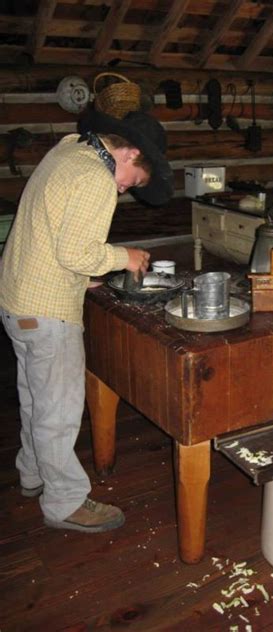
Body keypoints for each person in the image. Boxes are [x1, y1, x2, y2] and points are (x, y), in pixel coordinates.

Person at [0, 109, 174, 533]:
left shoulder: (68, 151)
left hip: (16, 299)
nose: (124, 189)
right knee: (58, 411)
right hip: (48, 310)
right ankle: (64, 502)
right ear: (129, 153)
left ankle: (32, 473)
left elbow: (51, 227)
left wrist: (86, 277)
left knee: (35, 399)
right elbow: (75, 251)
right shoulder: (97, 177)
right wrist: (124, 257)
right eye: (131, 181)